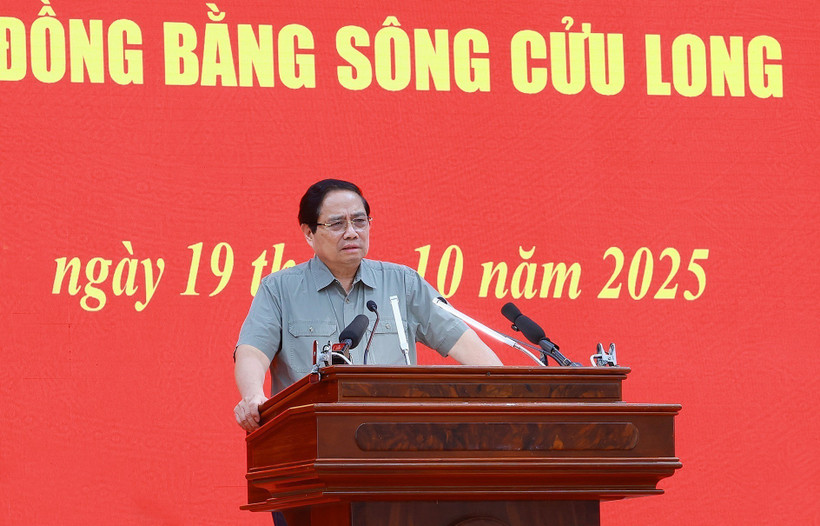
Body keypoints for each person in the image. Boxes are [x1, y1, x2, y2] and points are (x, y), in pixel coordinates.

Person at [233, 179, 502, 433]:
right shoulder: (279, 289)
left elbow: (463, 343)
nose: (352, 233)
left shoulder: (403, 283)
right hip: (311, 439)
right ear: (308, 233)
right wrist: (253, 395)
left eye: (360, 221)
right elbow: (252, 351)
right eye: (337, 224)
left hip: (395, 441)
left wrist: (506, 392)